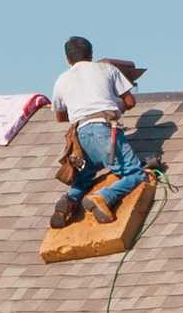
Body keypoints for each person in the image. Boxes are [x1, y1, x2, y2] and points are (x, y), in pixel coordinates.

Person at [49, 36, 145, 227]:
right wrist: (115, 105)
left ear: (67, 59)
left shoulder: (62, 79)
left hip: (80, 136)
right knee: (135, 173)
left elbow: (60, 117)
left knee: (86, 175)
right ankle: (102, 197)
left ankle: (70, 199)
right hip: (104, 129)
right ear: (91, 54)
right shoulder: (107, 69)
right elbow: (130, 102)